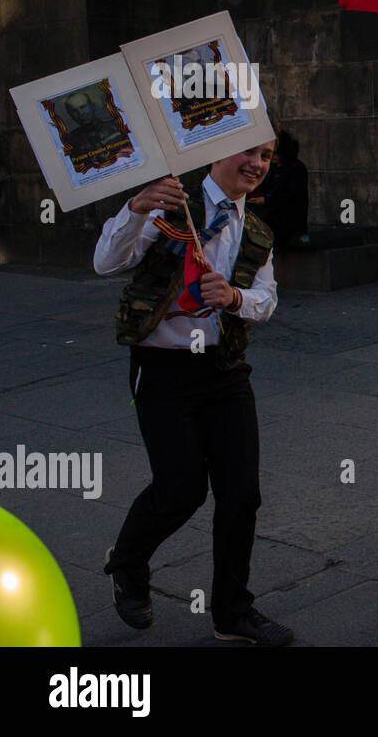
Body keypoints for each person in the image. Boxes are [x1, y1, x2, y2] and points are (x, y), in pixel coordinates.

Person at [93, 139, 293, 646]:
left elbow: (266, 300)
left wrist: (235, 297)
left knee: (241, 493)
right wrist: (135, 208)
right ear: (213, 153)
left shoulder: (258, 230)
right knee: (180, 490)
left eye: (266, 156)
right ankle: (128, 565)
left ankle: (232, 611)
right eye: (247, 151)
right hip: (162, 370)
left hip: (225, 371)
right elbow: (105, 262)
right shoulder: (168, 205)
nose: (256, 163)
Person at [248, 129, 309, 247]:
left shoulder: (295, 168)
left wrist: (265, 199)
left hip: (288, 221)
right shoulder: (274, 168)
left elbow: (290, 194)